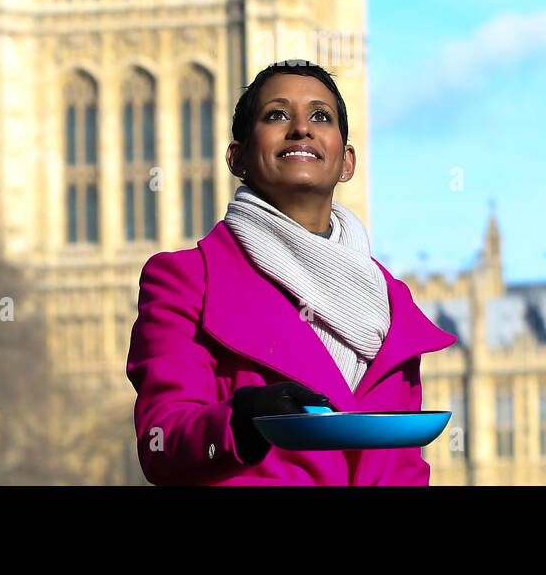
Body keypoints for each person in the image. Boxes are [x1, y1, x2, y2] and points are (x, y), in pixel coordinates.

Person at [125, 59, 457, 484]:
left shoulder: (388, 300)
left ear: (346, 161)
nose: (302, 128)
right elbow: (161, 443)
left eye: (321, 116)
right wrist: (241, 420)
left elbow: (404, 466)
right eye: (277, 115)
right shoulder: (189, 280)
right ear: (237, 157)